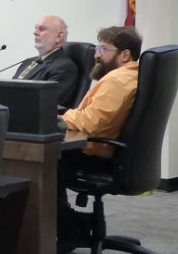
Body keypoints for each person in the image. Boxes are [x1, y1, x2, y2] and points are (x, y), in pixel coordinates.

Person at [56, 26, 142, 241]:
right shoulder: (133, 75)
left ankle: (68, 224)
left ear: (124, 55)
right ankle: (68, 222)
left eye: (103, 49)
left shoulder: (117, 81)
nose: (96, 55)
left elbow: (92, 123)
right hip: (117, 155)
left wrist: (59, 118)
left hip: (94, 155)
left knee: (41, 162)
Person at [13, 15, 78, 108]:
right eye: (36, 28)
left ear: (59, 36)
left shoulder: (64, 67)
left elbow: (46, 103)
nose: (35, 32)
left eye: (42, 29)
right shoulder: (27, 62)